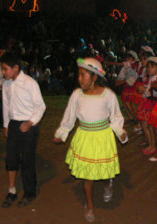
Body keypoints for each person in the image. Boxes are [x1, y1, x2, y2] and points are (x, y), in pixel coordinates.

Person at [54, 57, 127, 222]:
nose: (80, 79)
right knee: (88, 175)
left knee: (103, 170)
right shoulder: (76, 95)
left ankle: (108, 183)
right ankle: (90, 205)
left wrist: (119, 131)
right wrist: (62, 132)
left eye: (83, 75)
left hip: (103, 137)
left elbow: (116, 116)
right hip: (85, 137)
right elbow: (69, 117)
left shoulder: (108, 95)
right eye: (78, 75)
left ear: (94, 77)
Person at [1, 53, 46, 208]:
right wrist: (6, 124)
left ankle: (29, 192)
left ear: (16, 68)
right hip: (14, 125)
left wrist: (31, 122)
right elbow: (6, 105)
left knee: (27, 161)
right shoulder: (6, 84)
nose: (3, 72)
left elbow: (40, 106)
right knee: (11, 159)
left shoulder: (29, 83)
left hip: (29, 125)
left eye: (6, 69)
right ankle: (12, 191)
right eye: (2, 69)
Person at [136, 57, 157, 149]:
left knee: (146, 126)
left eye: (152, 67)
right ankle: (148, 142)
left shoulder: (156, 79)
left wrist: (144, 90)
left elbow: (154, 93)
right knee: (144, 125)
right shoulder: (151, 77)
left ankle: (151, 145)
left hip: (151, 104)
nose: (149, 69)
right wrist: (144, 88)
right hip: (148, 102)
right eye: (148, 67)